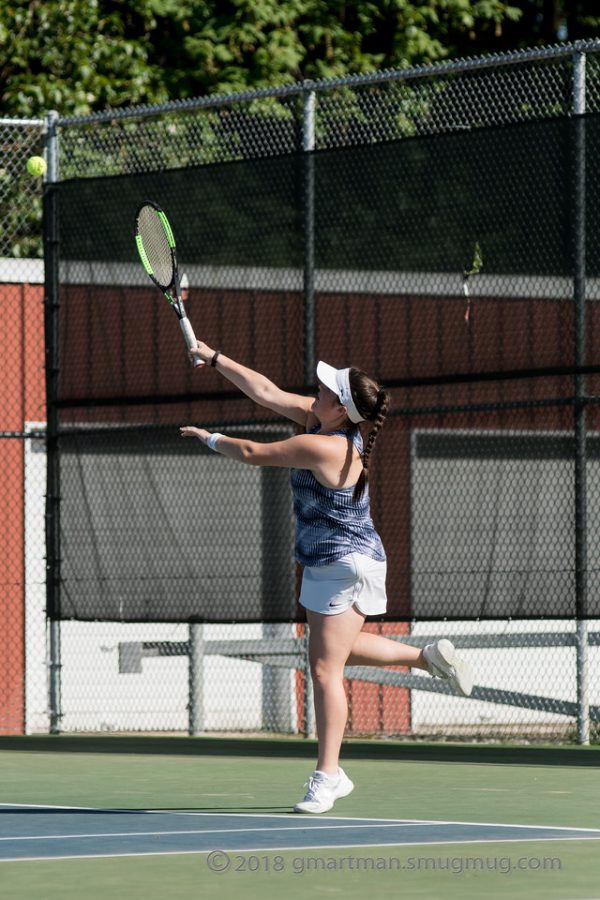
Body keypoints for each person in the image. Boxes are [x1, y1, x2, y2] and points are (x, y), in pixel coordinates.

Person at [180, 343, 473, 815]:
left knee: (324, 669)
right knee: (333, 651)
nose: (317, 389)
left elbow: (255, 453)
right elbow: (266, 392)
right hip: (350, 560)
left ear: (341, 410)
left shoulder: (323, 444)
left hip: (340, 563)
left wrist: (209, 438)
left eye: (327, 389)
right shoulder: (328, 422)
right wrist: (213, 358)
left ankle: (328, 776)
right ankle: (426, 657)